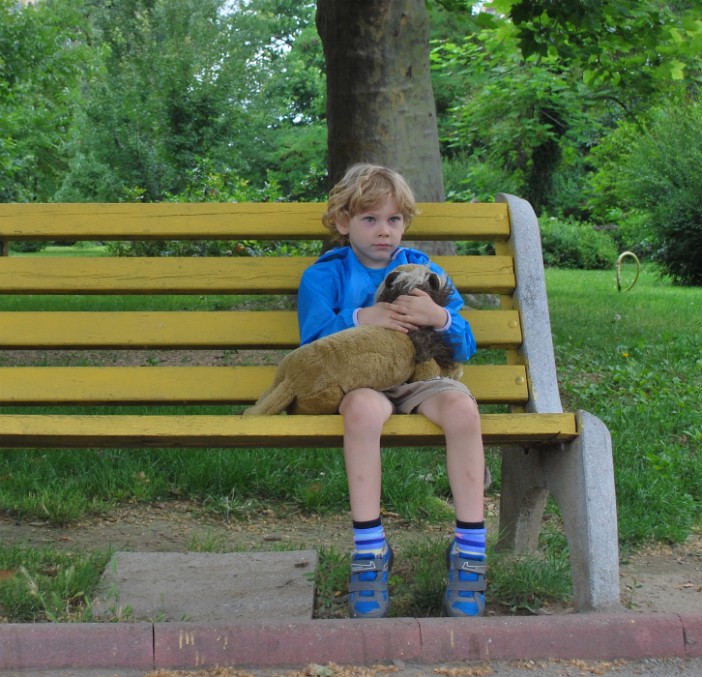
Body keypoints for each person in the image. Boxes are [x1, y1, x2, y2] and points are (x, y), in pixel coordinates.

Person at [297, 163, 486, 619]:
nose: (384, 231)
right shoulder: (325, 276)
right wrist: (363, 318)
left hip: (420, 378)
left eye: (394, 220)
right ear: (343, 222)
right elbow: (313, 344)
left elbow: (465, 342)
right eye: (370, 219)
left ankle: (470, 551)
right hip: (363, 384)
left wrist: (438, 318)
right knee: (361, 411)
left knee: (462, 409)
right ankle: (369, 551)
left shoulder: (425, 273)